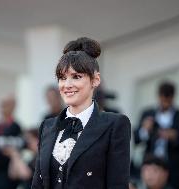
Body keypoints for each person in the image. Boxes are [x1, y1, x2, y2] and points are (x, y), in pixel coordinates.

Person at [31, 37, 131, 189]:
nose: (67, 85)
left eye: (76, 77)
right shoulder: (47, 126)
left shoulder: (115, 124)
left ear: (95, 80)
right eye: (62, 78)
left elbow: (117, 185)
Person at [134, 81, 179, 189]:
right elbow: (136, 140)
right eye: (163, 97)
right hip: (152, 168)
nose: (165, 101)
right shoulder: (147, 114)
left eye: (168, 97)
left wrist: (175, 138)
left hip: (175, 171)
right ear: (158, 96)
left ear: (173, 97)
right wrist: (145, 130)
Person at [0, 95, 22, 189]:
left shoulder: (15, 127)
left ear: (13, 107)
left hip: (9, 172)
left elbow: (15, 148)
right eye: (1, 105)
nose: (2, 108)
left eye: (6, 105)